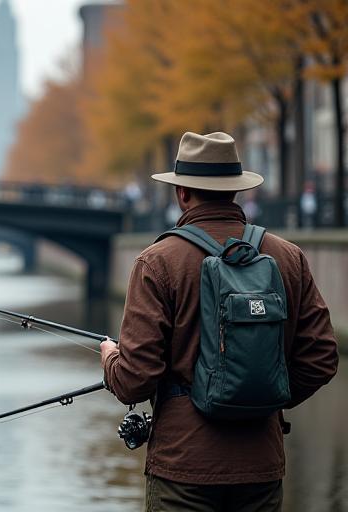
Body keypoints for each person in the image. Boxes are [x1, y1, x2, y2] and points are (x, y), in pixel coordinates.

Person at [100, 131, 339, 511]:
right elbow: (323, 356)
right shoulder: (288, 257)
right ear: (236, 190)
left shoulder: (157, 262)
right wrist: (264, 393)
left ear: (182, 192)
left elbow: (133, 380)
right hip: (260, 466)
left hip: (184, 469)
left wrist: (111, 358)